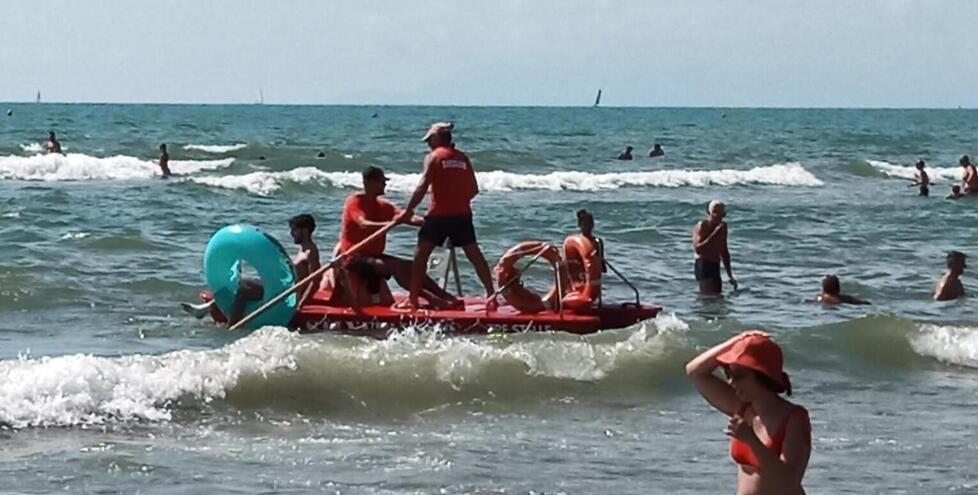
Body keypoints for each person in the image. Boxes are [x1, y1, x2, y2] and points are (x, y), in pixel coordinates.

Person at [686, 331, 811, 495]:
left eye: (738, 376)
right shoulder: (742, 408)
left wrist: (751, 440)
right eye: (728, 374)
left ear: (762, 375)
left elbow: (789, 481)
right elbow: (695, 371)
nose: (731, 382)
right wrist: (737, 340)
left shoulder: (794, 418)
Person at [395, 122, 497, 311]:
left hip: (438, 216)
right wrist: (457, 200)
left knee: (420, 255)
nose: (428, 144)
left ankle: (413, 299)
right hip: (462, 215)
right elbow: (473, 189)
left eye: (429, 140)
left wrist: (408, 210)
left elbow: (422, 186)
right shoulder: (463, 158)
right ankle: (491, 295)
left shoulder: (433, 157)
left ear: (436, 138)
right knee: (475, 255)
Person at [337, 166, 462, 311]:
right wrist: (392, 223)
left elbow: (407, 217)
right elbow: (364, 224)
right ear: (369, 182)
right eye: (381, 182)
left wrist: (431, 223)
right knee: (396, 266)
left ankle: (445, 296)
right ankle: (432, 299)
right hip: (354, 258)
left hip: (374, 256)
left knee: (410, 266)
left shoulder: (384, 205)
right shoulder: (355, 201)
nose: (385, 185)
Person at [181, 214, 322, 324]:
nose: (291, 233)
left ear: (304, 230)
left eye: (294, 230)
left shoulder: (311, 252)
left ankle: (232, 324)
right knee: (237, 284)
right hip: (282, 289)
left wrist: (301, 304)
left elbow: (315, 280)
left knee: (244, 287)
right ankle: (207, 308)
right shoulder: (302, 250)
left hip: (288, 295)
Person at [692, 200, 738, 295]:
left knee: (718, 297)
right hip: (704, 264)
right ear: (709, 212)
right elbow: (698, 249)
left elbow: (724, 251)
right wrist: (715, 234)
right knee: (707, 297)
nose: (717, 216)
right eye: (715, 212)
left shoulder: (723, 226)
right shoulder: (703, 226)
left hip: (715, 264)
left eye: (721, 214)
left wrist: (730, 275)